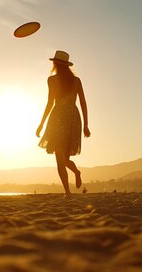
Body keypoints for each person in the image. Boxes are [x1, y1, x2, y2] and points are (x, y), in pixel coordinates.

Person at [36, 50, 90, 195]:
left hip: (61, 118)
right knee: (62, 158)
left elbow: (50, 104)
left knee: (63, 159)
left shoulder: (60, 80)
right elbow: (83, 104)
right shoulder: (67, 80)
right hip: (71, 117)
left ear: (55, 63)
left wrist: (86, 125)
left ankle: (74, 178)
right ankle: (68, 190)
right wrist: (85, 124)